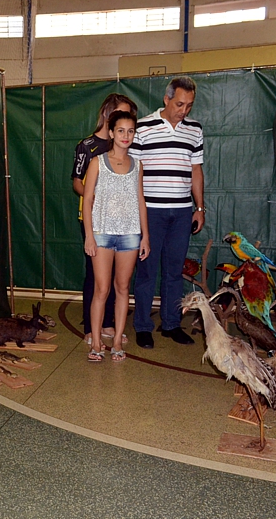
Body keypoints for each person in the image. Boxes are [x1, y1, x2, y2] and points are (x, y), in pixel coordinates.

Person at [128, 76, 205, 349]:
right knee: (147, 271)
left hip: (182, 212)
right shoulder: (143, 128)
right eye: (180, 104)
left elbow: (196, 170)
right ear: (166, 99)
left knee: (174, 271)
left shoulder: (194, 130)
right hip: (151, 212)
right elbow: (134, 173)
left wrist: (199, 208)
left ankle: (171, 323)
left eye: (189, 105)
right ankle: (143, 326)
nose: (184, 110)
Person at [71, 94, 138, 348]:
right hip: (94, 222)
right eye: (120, 116)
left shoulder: (127, 147)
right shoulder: (87, 147)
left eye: (130, 121)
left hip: (122, 225)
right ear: (108, 117)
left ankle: (109, 323)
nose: (125, 128)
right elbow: (77, 182)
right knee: (96, 276)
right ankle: (91, 328)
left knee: (118, 280)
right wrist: (98, 197)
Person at [83, 110, 149, 362]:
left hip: (130, 235)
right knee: (101, 289)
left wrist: (145, 237)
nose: (126, 135)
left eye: (130, 131)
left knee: (122, 288)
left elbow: (140, 201)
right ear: (111, 132)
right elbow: (88, 199)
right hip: (102, 234)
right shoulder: (97, 162)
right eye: (121, 130)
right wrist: (89, 236)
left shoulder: (137, 165)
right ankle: (97, 342)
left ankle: (118, 341)